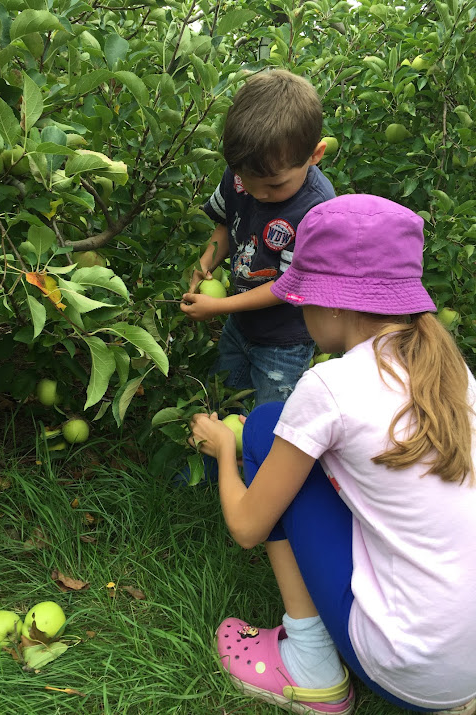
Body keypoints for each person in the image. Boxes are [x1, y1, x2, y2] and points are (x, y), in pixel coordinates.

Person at [188, 194, 476, 714]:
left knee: (263, 428)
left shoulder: (331, 385)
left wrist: (226, 450)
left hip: (412, 671)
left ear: (335, 302)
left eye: (303, 298)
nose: (300, 312)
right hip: (466, 664)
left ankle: (310, 666)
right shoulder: (452, 372)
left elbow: (247, 528)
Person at [180, 69, 336, 406]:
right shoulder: (242, 174)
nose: (257, 193)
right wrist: (205, 263)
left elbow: (289, 286)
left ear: (315, 155)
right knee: (225, 398)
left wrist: (219, 307)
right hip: (240, 324)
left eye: (274, 185)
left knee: (271, 418)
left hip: (285, 341)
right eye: (246, 181)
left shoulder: (317, 210)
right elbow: (226, 223)